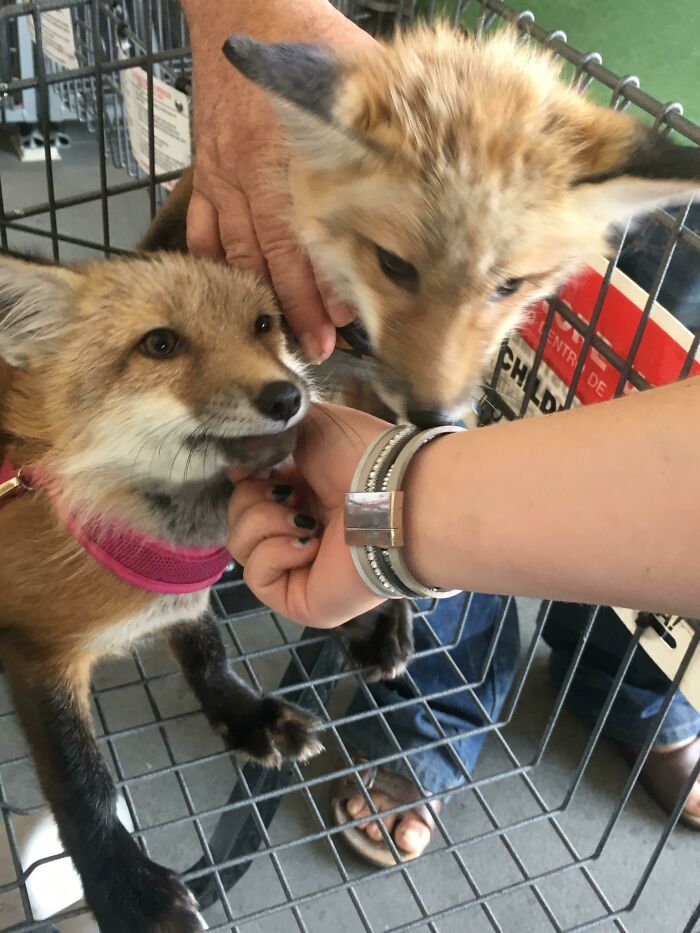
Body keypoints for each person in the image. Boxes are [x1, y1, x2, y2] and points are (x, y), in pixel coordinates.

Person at [181, 0, 700, 862]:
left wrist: (400, 493)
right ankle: (430, 712)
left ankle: (643, 696)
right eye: (396, 267)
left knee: (649, 389)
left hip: (650, 140)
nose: (442, 383)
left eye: (509, 288)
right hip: (491, 74)